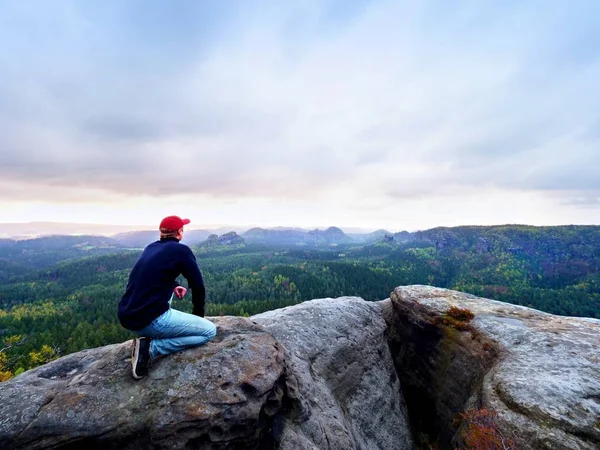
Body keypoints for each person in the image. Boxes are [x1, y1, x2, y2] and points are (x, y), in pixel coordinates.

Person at [118, 215, 217, 379]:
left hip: (128, 315)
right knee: (209, 331)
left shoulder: (151, 247)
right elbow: (198, 286)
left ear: (161, 232)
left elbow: (152, 274)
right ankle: (151, 348)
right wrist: (199, 318)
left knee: (166, 292)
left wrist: (174, 285)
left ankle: (156, 331)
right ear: (180, 232)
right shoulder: (181, 251)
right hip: (149, 320)